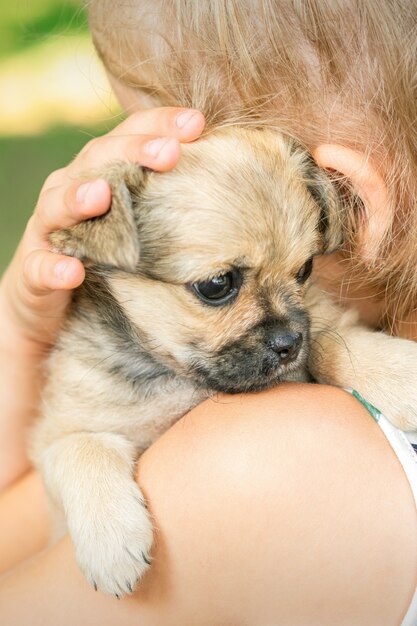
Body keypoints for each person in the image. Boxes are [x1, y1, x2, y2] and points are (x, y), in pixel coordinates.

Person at [0, 1, 416, 624]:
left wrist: (15, 338)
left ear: (349, 202)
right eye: (222, 285)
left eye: (300, 273)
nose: (287, 333)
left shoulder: (254, 466)